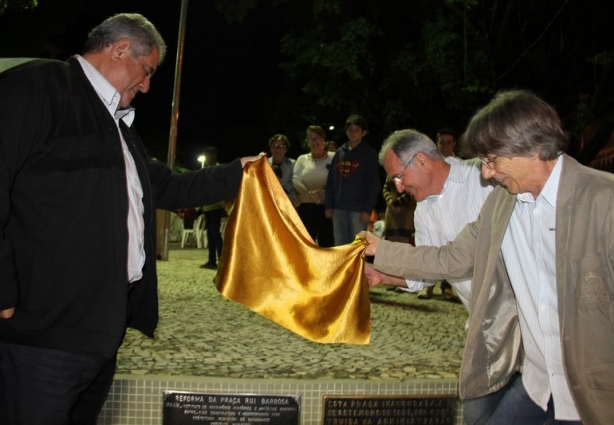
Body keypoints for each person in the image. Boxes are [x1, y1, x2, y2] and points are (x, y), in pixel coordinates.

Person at [0, 13, 262, 424]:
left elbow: (169, 187)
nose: (146, 85)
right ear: (120, 48)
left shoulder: (117, 128)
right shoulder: (39, 86)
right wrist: (3, 291)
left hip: (98, 337)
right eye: (146, 70)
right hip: (42, 338)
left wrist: (239, 172)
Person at [362, 89, 613, 425]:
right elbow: (450, 259)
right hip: (537, 383)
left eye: (492, 160)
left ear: (532, 147)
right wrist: (381, 253)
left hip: (591, 393)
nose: (486, 174)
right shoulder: (501, 205)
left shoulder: (603, 201)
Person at [366, 129, 494, 308]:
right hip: (481, 320)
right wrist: (380, 275)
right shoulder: (422, 211)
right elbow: (426, 270)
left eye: (399, 177)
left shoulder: (485, 176)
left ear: (422, 161)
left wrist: (381, 249)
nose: (400, 188)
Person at [324, 114, 380, 245]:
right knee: (340, 246)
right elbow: (331, 180)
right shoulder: (339, 153)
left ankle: (359, 267)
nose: (353, 133)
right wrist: (328, 204)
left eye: (357, 130)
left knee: (358, 246)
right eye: (350, 130)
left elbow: (374, 183)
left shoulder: (369, 153)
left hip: (359, 210)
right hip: (339, 209)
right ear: (346, 131)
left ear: (363, 133)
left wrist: (368, 209)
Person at [292, 125, 335, 247]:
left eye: (316, 138)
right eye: (310, 138)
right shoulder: (301, 159)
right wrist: (310, 194)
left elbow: (337, 179)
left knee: (327, 244)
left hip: (327, 207)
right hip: (306, 208)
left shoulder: (333, 157)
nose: (314, 141)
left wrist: (322, 191)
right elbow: (296, 180)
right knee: (306, 244)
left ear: (323, 139)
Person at [200, 146, 226, 270]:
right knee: (210, 233)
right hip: (207, 206)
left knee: (215, 232)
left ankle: (222, 259)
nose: (208, 158)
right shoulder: (205, 170)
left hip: (216, 205)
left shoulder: (219, 169)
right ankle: (211, 260)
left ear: (214, 156)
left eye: (210, 155)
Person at [382, 177, 416, 244]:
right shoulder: (391, 170)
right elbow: (385, 188)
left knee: (404, 243)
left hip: (407, 212)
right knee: (390, 242)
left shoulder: (410, 169)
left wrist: (396, 203)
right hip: (391, 212)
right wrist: (390, 202)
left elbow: (414, 190)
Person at [268, 134, 296, 203]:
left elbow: (295, 182)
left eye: (281, 146)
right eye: (274, 146)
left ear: (285, 149)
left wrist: (283, 190)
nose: (277, 149)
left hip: (288, 202)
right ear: (271, 148)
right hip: (269, 201)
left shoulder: (293, 164)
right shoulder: (265, 163)